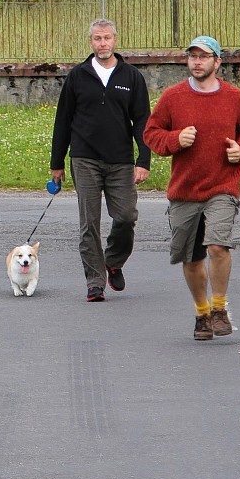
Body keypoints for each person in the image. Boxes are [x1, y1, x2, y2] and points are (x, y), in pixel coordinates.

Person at [143, 35, 240, 341]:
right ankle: (202, 313)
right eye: (193, 56)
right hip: (184, 190)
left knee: (218, 246)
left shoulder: (234, 98)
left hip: (223, 184)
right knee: (192, 259)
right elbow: (151, 133)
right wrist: (174, 140)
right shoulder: (173, 97)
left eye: (204, 56)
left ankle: (219, 308)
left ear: (217, 62)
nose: (197, 61)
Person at [50, 18, 151, 302]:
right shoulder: (77, 76)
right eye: (97, 38)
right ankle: (95, 282)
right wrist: (57, 163)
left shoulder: (131, 77)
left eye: (107, 38)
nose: (102, 43)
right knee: (89, 224)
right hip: (84, 159)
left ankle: (113, 260)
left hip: (121, 161)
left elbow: (142, 120)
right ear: (90, 41)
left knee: (126, 216)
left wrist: (144, 159)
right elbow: (63, 121)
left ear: (115, 40)